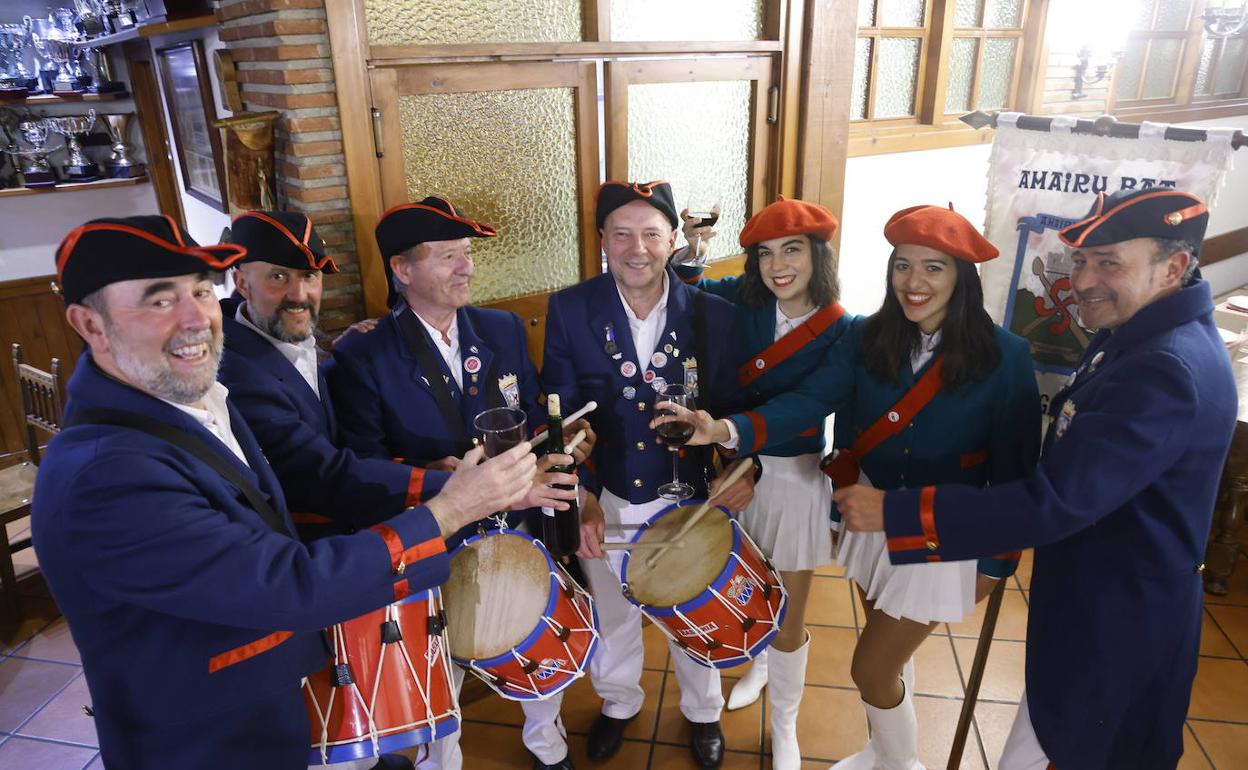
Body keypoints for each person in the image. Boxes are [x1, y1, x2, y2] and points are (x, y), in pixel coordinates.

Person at [30, 215, 537, 769]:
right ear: (89, 324)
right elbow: (288, 581)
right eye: (157, 301)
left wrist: (481, 490)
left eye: (200, 290)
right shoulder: (105, 476)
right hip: (207, 740)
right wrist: (451, 506)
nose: (195, 317)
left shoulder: (194, 398)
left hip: (267, 701)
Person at [834, 188, 1236, 770]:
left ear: (1173, 267)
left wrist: (908, 520)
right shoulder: (1135, 334)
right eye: (1080, 260)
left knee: (1062, 747)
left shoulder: (1164, 367)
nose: (1084, 278)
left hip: (1110, 614)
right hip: (1081, 592)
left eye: (1110, 262)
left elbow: (1049, 492)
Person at [663, 204, 1040, 769]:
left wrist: (995, 565)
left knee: (871, 668)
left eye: (933, 268)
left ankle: (899, 763)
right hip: (871, 520)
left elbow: (1015, 472)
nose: (915, 283)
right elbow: (812, 401)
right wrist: (728, 430)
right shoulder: (871, 336)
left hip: (943, 532)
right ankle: (882, 750)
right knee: (890, 656)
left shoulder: (1005, 356)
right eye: (903, 266)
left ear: (962, 277)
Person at [327, 197, 587, 770]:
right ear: (403, 270)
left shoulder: (502, 328)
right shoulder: (364, 356)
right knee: (435, 668)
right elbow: (362, 468)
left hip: (519, 525)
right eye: (448, 256)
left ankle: (548, 745)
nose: (467, 267)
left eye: (466, 253)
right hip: (435, 540)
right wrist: (437, 481)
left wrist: (560, 450)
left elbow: (539, 421)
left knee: (537, 640)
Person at [541, 180, 755, 769]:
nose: (637, 248)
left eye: (651, 234)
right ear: (604, 241)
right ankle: (617, 701)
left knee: (691, 606)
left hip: (685, 497)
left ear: (672, 241)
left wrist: (743, 469)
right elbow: (557, 415)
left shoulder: (713, 315)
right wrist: (580, 496)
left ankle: (704, 710)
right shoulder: (571, 309)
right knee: (611, 610)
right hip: (605, 494)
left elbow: (738, 411)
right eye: (623, 234)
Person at [669, 197, 853, 769]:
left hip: (792, 475)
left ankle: (786, 725)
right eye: (766, 253)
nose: (778, 266)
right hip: (727, 473)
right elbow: (683, 291)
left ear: (817, 256)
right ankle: (758, 663)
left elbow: (809, 404)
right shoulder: (743, 303)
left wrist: (725, 431)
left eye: (792, 250)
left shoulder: (847, 330)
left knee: (790, 619)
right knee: (737, 589)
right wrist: (695, 248)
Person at [219, 210, 450, 539]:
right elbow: (323, 472)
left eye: (310, 276)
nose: (299, 295)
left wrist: (420, 468)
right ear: (242, 282)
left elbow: (316, 417)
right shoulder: (238, 374)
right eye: (278, 277)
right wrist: (450, 485)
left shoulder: (288, 340)